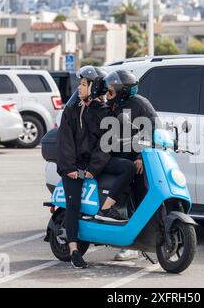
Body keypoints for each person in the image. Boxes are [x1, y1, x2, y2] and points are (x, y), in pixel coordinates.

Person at [56, 66, 112, 269]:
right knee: (73, 205)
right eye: (79, 84)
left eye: (83, 84)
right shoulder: (71, 110)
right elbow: (65, 141)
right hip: (73, 167)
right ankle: (74, 250)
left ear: (95, 87)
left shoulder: (106, 113)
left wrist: (94, 168)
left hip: (94, 167)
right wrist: (69, 167)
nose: (79, 88)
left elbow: (105, 144)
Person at [103, 70, 159, 261]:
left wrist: (141, 156)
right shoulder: (111, 105)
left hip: (137, 160)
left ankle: (134, 244)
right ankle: (126, 239)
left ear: (122, 90)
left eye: (111, 90)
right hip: (115, 158)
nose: (107, 93)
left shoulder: (140, 105)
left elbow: (152, 130)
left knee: (139, 195)